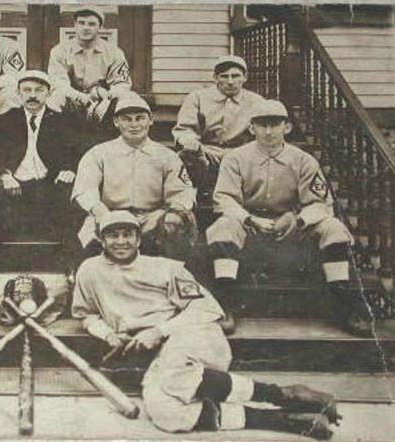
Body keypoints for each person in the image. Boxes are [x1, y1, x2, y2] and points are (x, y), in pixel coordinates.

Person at [72, 210, 339, 440]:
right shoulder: (89, 270)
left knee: (173, 374)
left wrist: (158, 331)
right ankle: (284, 421)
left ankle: (281, 394)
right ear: (101, 239)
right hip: (158, 354)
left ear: (139, 238)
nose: (121, 241)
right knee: (165, 412)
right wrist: (107, 335)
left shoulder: (166, 268)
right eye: (112, 235)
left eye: (127, 234)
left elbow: (206, 308)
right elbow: (86, 314)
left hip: (192, 335)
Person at [206, 99, 373, 336]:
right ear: (251, 128)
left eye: (275, 124)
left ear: (287, 127)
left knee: (333, 228)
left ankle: (343, 303)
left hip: (293, 228)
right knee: (223, 226)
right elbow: (223, 199)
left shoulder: (303, 160)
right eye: (262, 125)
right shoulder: (236, 158)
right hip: (251, 228)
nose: (268, 131)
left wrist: (298, 219)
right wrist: (250, 219)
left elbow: (320, 203)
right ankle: (225, 303)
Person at [71, 94, 196, 262]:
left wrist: (170, 211)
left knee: (174, 222)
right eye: (127, 119)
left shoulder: (166, 156)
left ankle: (168, 276)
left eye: (140, 118)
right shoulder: (99, 153)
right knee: (89, 239)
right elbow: (85, 189)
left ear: (151, 120)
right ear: (116, 122)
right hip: (110, 214)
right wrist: (100, 211)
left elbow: (182, 192)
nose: (134, 125)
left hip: (151, 218)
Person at [0, 70, 80, 264]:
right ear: (18, 94)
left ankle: (69, 263)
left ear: (49, 94)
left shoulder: (62, 121)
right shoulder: (6, 120)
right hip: (14, 185)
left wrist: (69, 169)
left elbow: (77, 151)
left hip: (48, 184)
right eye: (27, 90)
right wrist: (4, 174)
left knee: (69, 191)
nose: (32, 95)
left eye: (39, 90)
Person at [172, 55, 264, 195]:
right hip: (207, 152)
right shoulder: (197, 97)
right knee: (187, 155)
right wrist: (190, 143)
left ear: (245, 77)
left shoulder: (256, 101)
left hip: (241, 153)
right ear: (215, 78)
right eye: (224, 76)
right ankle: (203, 192)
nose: (230, 82)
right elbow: (185, 129)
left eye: (235, 76)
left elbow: (262, 131)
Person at [48, 6, 132, 126]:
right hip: (72, 101)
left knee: (127, 98)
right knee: (55, 98)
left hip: (102, 102)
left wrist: (107, 96)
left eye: (91, 24)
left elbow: (122, 83)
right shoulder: (60, 50)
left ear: (100, 27)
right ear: (75, 25)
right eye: (81, 23)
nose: (86, 28)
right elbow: (58, 83)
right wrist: (81, 97)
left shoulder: (114, 52)